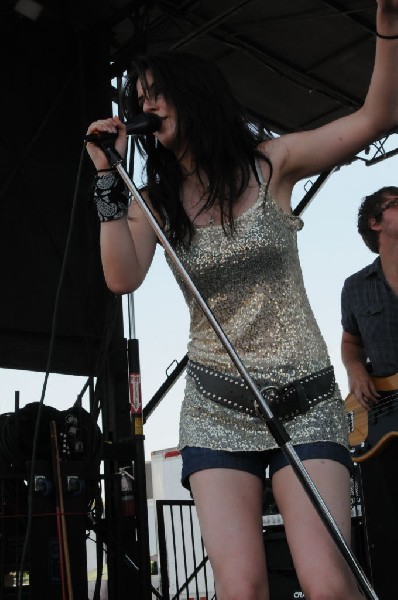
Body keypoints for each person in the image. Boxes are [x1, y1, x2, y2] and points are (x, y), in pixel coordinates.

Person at [86, 2, 398, 598]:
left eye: (155, 94)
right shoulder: (152, 200)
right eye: (137, 100)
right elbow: (121, 277)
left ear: (193, 93)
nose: (144, 108)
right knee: (242, 587)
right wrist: (108, 177)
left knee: (328, 582)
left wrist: (387, 25)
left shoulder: (272, 164)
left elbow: (377, 116)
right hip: (217, 406)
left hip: (304, 398)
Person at [341, 185, 398, 598]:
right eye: (395, 205)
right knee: (389, 531)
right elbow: (351, 343)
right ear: (375, 224)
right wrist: (355, 370)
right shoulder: (356, 285)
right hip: (382, 420)